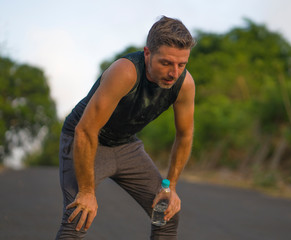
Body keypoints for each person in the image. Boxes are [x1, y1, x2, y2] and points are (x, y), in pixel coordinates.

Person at [55, 16, 196, 239]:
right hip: (86, 139)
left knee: (165, 212)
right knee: (78, 216)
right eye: (166, 63)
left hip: (126, 145)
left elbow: (185, 134)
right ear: (148, 53)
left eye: (181, 64)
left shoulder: (184, 84)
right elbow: (85, 130)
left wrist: (171, 187)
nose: (174, 73)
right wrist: (87, 192)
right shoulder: (126, 71)